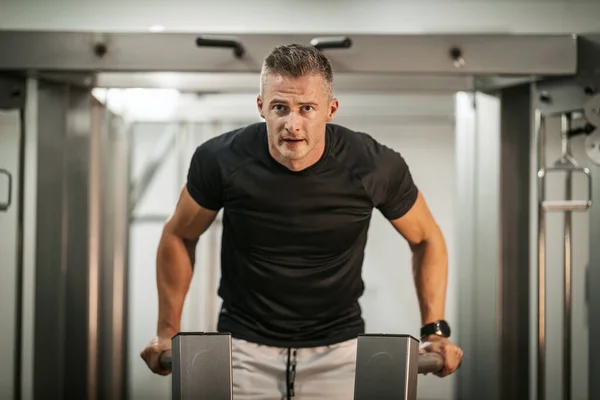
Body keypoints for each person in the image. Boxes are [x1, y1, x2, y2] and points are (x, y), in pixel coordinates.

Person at [141, 43, 463, 399]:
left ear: (331, 109)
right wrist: (166, 330)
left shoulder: (373, 165)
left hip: (338, 350)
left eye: (306, 108)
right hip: (243, 347)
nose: (292, 124)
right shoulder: (220, 159)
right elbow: (178, 234)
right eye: (280, 107)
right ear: (261, 107)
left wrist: (434, 331)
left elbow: (426, 238)